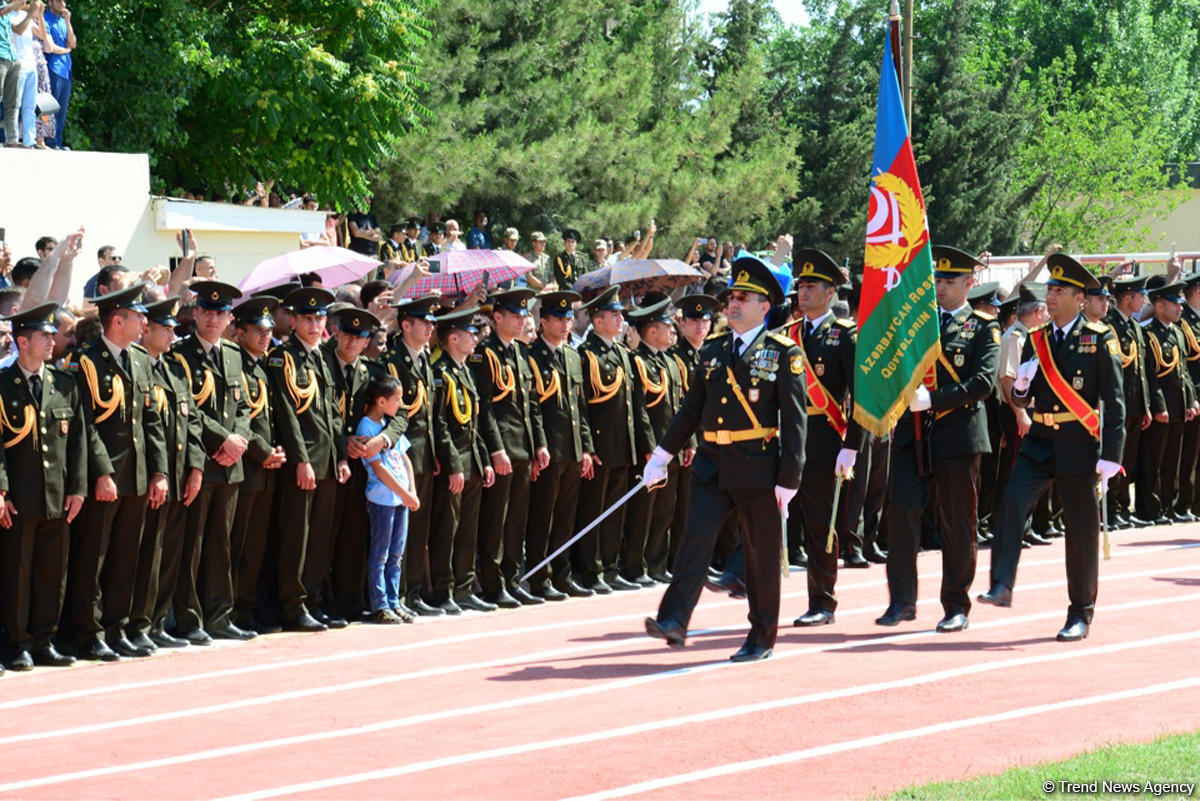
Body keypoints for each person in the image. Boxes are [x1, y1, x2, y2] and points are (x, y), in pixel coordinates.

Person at [642, 254, 805, 662]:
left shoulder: (783, 354)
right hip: (713, 462)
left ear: (764, 307)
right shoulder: (713, 351)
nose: (732, 304)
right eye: (732, 297)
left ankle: (761, 636)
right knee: (694, 542)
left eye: (743, 298)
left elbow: (795, 423)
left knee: (760, 557)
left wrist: (789, 479)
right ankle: (674, 619)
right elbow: (691, 410)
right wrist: (662, 454)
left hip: (758, 466)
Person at [980, 253, 1125, 641]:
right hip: (1041, 441)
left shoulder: (1099, 340)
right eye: (1051, 289)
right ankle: (1002, 584)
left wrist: (1112, 456)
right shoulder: (1037, 339)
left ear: (1079, 298)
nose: (1052, 296)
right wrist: (1021, 389)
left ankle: (1080, 612)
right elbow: (1024, 397)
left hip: (1078, 444)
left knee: (1080, 531)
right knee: (1012, 499)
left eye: (1060, 290)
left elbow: (1115, 402)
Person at [879, 245, 1000, 633]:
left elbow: (983, 383)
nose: (941, 287)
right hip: (911, 435)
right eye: (937, 280)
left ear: (969, 283)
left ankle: (956, 605)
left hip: (957, 435)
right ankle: (901, 601)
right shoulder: (916, 324)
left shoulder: (983, 328)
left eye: (949, 280)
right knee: (901, 515)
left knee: (957, 523)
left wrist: (934, 399)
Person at [69, 282, 169, 660]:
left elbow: (151, 420)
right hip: (105, 477)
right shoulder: (86, 361)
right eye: (138, 317)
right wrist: (102, 472)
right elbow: (85, 423)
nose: (144, 323)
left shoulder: (139, 359)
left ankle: (116, 627)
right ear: (117, 321)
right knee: (93, 558)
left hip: (137, 475)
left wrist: (159, 471)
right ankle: (89, 632)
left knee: (127, 557)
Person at [170, 280, 257, 643]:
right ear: (195, 314)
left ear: (229, 318)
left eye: (220, 313)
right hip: (200, 461)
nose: (212, 319)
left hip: (230, 463)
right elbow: (187, 408)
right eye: (206, 311)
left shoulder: (234, 355)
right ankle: (190, 619)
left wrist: (239, 440)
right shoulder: (180, 356)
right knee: (193, 544)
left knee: (222, 544)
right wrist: (223, 439)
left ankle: (220, 615)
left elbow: (244, 406)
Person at [0, 303, 86, 670]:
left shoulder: (64, 384)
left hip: (56, 494)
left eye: (53, 335)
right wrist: (1, 491)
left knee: (52, 572)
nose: (52, 341)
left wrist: (78, 488)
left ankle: (44, 639)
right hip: (20, 496)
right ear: (22, 341)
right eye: (43, 336)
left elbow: (78, 440)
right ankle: (18, 641)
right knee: (18, 572)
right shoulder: (3, 385)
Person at [784, 250, 862, 627]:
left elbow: (860, 395)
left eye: (811, 286)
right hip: (787, 439)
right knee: (770, 515)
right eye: (801, 285)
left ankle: (822, 601)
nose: (803, 292)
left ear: (830, 292)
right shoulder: (787, 336)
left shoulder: (845, 336)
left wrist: (852, 445)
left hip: (824, 440)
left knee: (819, 524)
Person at [267, 286, 348, 631]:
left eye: (319, 319)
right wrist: (301, 459)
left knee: (319, 538)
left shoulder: (324, 358)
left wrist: (341, 457)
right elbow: (286, 414)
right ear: (294, 321)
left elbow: (333, 414)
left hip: (327, 460)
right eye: (308, 319)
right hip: (304, 460)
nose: (315, 325)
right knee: (296, 537)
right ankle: (293, 605)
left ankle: (313, 601)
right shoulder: (283, 358)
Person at [129, 297, 204, 652]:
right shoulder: (138, 367)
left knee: (169, 554)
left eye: (174, 329)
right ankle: (138, 624)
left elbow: (192, 421)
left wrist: (196, 466)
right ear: (146, 330)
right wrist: (156, 472)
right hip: (150, 476)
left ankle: (157, 622)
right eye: (166, 329)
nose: (173, 335)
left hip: (177, 475)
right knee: (146, 555)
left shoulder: (173, 370)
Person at [471, 288, 548, 607]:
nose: (521, 321)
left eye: (523, 316)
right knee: (496, 520)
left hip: (523, 447)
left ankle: (512, 579)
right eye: (514, 316)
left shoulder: (520, 352)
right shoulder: (484, 353)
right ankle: (493, 584)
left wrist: (539, 444)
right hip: (502, 446)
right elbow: (484, 407)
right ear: (497, 317)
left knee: (516, 519)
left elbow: (531, 404)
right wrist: (496, 449)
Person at [574, 285, 652, 593]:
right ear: (597, 320)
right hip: (600, 445)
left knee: (614, 511)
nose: (621, 320)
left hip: (623, 444)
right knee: (593, 511)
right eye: (614, 315)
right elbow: (581, 407)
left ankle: (609, 565)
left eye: (621, 315)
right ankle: (589, 569)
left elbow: (636, 404)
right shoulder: (587, 355)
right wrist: (587, 446)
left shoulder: (622, 353)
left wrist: (646, 445)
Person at [428, 305, 496, 613]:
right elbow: (440, 424)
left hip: (471, 461)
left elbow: (473, 423)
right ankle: (444, 590)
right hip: (452, 463)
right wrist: (454, 465)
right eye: (470, 333)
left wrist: (484, 461)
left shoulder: (464, 370)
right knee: (447, 530)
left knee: (468, 529)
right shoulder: (440, 372)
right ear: (453, 338)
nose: (476, 338)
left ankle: (465, 588)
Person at [229, 297, 287, 634]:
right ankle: (233, 608)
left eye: (268, 331)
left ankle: (248, 607)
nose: (266, 337)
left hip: (267, 468)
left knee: (257, 546)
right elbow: (240, 419)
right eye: (258, 331)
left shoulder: (263, 365)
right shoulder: (235, 364)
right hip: (247, 465)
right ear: (240, 333)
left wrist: (274, 451)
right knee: (238, 544)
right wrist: (262, 451)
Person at [382, 296, 444, 616]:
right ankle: (399, 594)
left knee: (419, 529)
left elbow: (430, 415)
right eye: (424, 322)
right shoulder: (394, 361)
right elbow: (394, 414)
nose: (430, 327)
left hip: (423, 454)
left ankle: (414, 592)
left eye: (432, 322)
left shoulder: (424, 359)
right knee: (399, 533)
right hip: (401, 456)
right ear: (405, 325)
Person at [622, 296, 689, 586]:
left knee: (665, 510)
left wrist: (687, 443)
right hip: (652, 450)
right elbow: (639, 409)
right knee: (643, 511)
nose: (672, 329)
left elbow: (681, 408)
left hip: (672, 448)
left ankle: (657, 564)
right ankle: (634, 566)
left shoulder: (671, 362)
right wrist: (651, 448)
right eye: (666, 325)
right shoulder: (638, 361)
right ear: (651, 330)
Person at [356, 374, 421, 624]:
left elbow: (404, 459)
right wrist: (405, 494)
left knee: (396, 555)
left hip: (400, 499)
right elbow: (379, 468)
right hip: (382, 500)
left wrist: (411, 491)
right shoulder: (366, 427)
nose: (401, 404)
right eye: (397, 399)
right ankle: (380, 604)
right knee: (380, 555)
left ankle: (394, 601)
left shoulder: (388, 424)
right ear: (381, 401)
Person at [1134, 276, 1198, 525]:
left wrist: (1191, 401)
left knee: (1172, 461)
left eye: (1180, 303)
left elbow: (1184, 372)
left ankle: (1168, 506)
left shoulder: (1178, 333)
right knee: (1153, 461)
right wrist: (1159, 406)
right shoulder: (1149, 334)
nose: (1180, 307)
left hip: (1179, 406)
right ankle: (1149, 509)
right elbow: (1150, 375)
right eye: (1174, 303)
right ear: (1159, 305)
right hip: (1162, 408)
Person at [40, 0, 70, 149]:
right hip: (53, 68)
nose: (62, 3)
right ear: (50, 3)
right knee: (50, 108)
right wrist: (66, 50)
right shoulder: (45, 19)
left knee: (62, 111)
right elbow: (51, 47)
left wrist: (68, 22)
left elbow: (73, 42)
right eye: (58, 0)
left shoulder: (63, 21)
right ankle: (49, 141)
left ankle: (57, 142)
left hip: (66, 70)